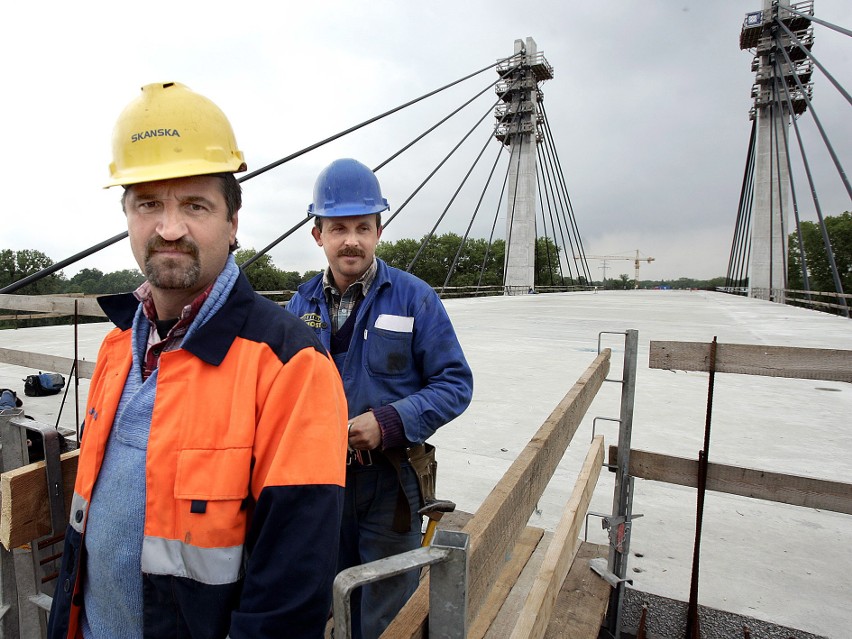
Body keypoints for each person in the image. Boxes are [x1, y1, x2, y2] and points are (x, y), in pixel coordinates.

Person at [47, 82, 349, 639]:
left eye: (195, 205)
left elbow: (289, 600)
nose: (169, 228)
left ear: (233, 224)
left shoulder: (291, 369)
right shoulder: (117, 350)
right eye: (148, 204)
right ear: (127, 216)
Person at [286, 158, 474, 639]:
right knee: (328, 593)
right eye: (339, 227)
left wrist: (388, 422)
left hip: (392, 484)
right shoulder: (298, 305)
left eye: (362, 227)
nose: (351, 239)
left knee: (386, 607)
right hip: (322, 481)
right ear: (318, 235)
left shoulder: (414, 298)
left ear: (378, 231)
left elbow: (455, 384)